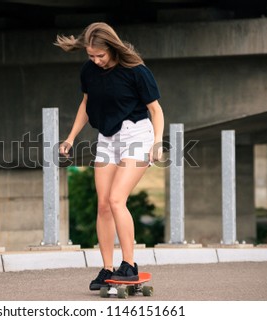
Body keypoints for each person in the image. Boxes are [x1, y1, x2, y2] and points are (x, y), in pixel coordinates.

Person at [54, 22, 164, 290]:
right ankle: (107, 268)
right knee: (103, 204)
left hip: (137, 136)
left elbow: (156, 110)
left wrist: (158, 142)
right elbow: (86, 104)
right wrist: (70, 138)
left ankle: (129, 265)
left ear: (112, 48)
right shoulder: (89, 71)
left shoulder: (136, 71)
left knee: (117, 199)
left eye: (100, 56)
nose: (95, 61)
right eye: (90, 56)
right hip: (107, 137)